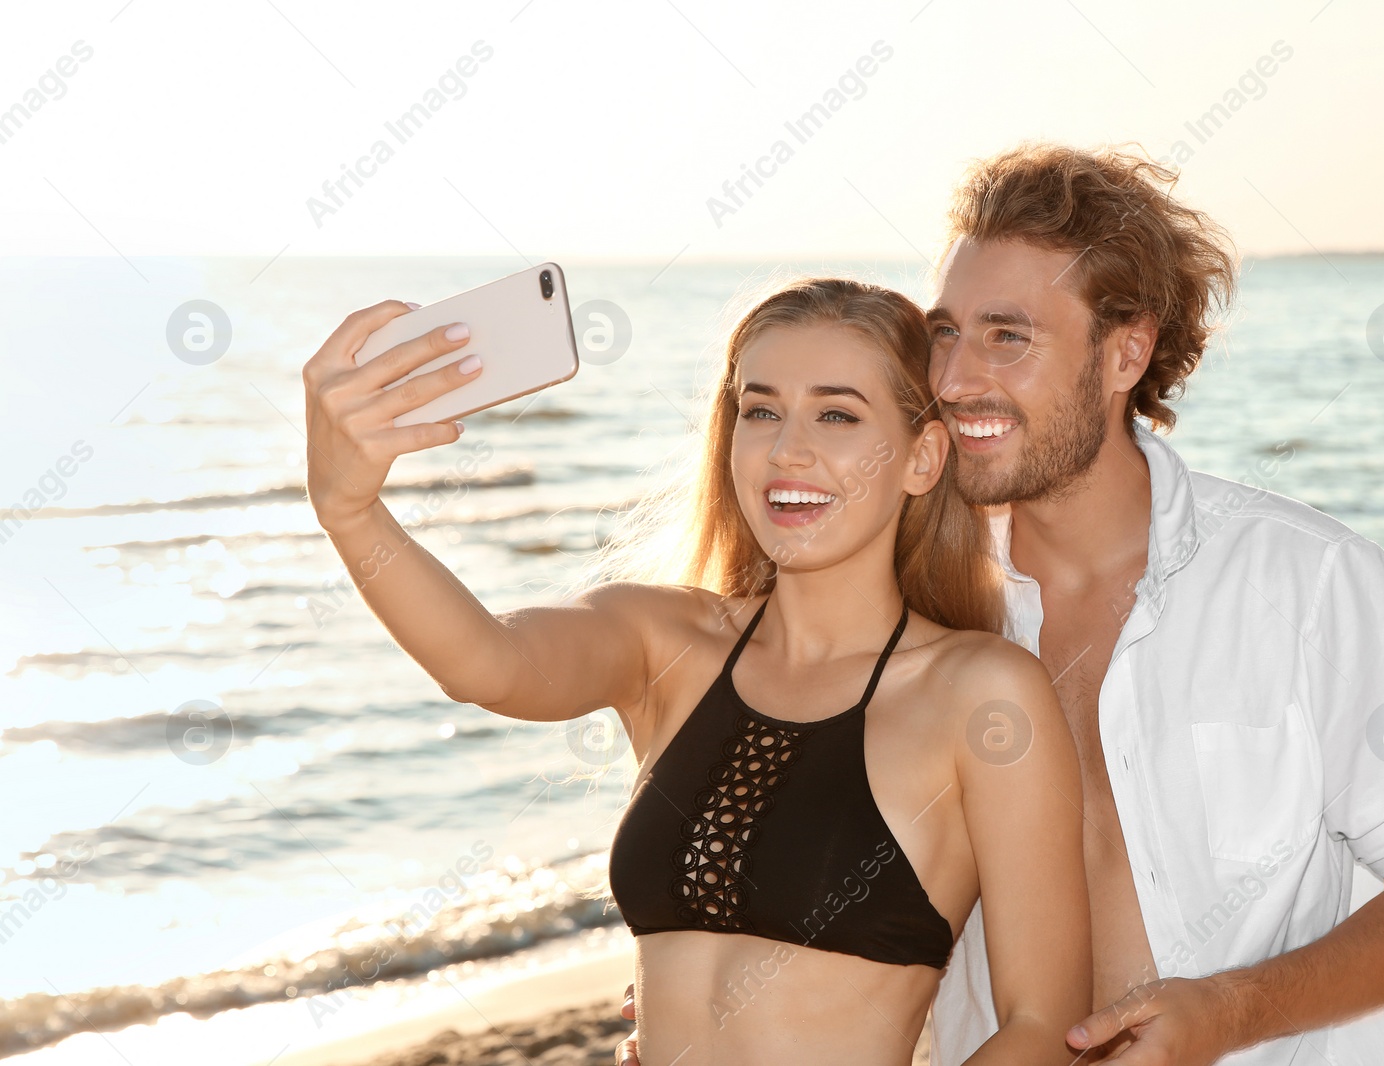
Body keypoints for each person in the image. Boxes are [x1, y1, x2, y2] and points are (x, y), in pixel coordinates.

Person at [621, 143, 1384, 1066]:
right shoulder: (914, 602)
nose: (955, 378)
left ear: (1126, 352)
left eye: (1009, 336)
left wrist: (1228, 1015)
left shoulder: (1307, 584)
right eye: (945, 331)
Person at [302, 277, 1094, 1064]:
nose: (788, 449)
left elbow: (1043, 1024)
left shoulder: (981, 694)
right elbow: (486, 663)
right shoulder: (663, 640)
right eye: (761, 411)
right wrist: (350, 509)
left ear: (921, 458)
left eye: (836, 414)